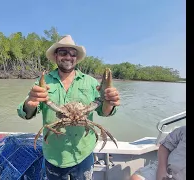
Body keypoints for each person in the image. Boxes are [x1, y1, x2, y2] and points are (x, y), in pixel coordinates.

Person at [17, 35, 121, 180]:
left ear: (76, 58)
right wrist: (30, 102)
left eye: (73, 54)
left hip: (83, 154)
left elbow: (104, 112)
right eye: (63, 53)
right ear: (56, 56)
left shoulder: (90, 82)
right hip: (54, 155)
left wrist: (108, 101)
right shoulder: (43, 81)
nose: (68, 57)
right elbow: (25, 114)